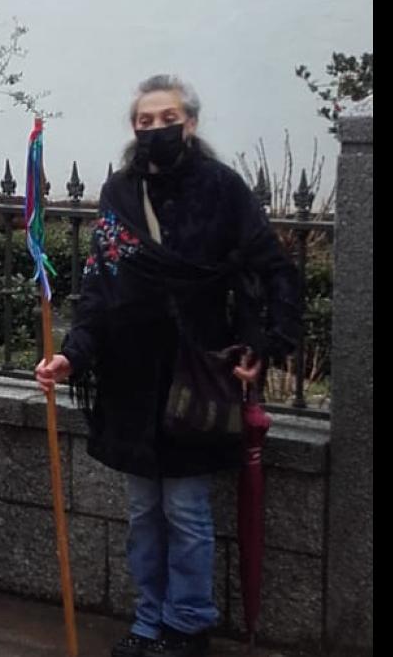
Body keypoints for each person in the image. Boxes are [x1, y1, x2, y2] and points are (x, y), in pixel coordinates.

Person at [35, 75, 302, 657]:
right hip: (131, 375)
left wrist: (262, 341)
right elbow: (100, 284)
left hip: (196, 372)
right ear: (134, 127)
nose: (156, 128)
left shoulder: (222, 189)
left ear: (191, 122)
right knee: (141, 512)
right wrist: (72, 354)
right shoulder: (120, 193)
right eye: (145, 120)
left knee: (185, 510)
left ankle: (188, 625)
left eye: (167, 117)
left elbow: (270, 266)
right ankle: (149, 620)